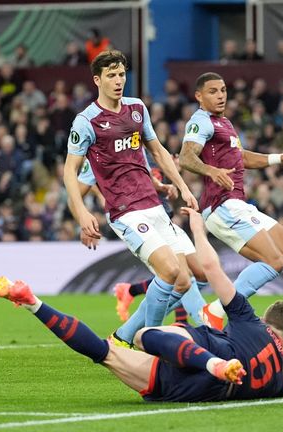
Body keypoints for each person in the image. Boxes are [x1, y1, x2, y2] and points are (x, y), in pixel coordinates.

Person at [0, 206, 283, 402]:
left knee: (149, 334)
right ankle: (35, 303)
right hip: (196, 390)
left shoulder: (249, 321)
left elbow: (213, 269)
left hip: (205, 351)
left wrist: (199, 230)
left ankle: (34, 303)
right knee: (105, 354)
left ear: (267, 317)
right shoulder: (278, 381)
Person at [63, 50, 202, 344]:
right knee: (169, 271)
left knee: (188, 279)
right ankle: (152, 343)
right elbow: (70, 173)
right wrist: (82, 215)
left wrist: (183, 187)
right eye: (111, 75)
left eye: (122, 74)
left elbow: (157, 152)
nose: (118, 80)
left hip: (154, 205)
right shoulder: (86, 121)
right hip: (125, 211)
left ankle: (123, 336)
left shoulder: (137, 108)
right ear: (97, 80)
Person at [179, 72, 283, 327]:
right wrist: (212, 171)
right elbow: (186, 157)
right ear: (199, 96)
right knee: (274, 260)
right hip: (221, 205)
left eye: (223, 90)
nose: (221, 95)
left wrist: (282, 157)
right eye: (213, 91)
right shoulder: (200, 121)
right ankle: (214, 310)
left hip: (238, 203)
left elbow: (241, 157)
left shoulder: (224, 122)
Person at [72, 157, 215, 327]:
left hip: (164, 218)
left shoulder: (145, 144)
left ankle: (133, 298)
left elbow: (153, 177)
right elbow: (82, 185)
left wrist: (167, 182)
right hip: (141, 221)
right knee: (182, 280)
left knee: (199, 274)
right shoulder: (103, 148)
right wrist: (86, 216)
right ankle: (206, 326)